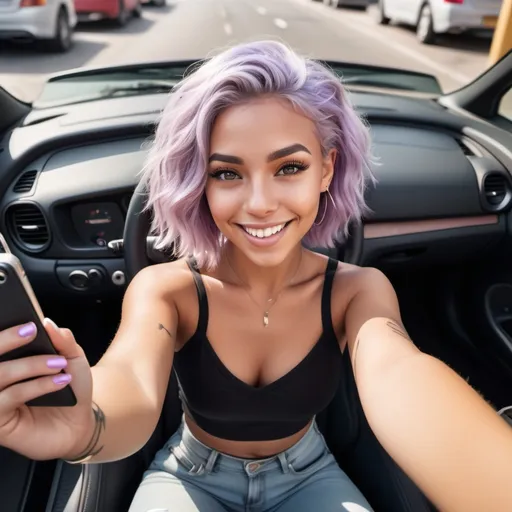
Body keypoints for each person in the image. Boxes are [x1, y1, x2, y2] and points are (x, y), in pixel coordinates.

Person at [0, 40, 511, 512]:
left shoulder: (358, 291)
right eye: (227, 173)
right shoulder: (168, 289)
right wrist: (87, 426)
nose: (261, 205)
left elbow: (401, 374)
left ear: (327, 169)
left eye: (289, 168)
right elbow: (131, 379)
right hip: (190, 475)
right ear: (200, 183)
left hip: (310, 473)